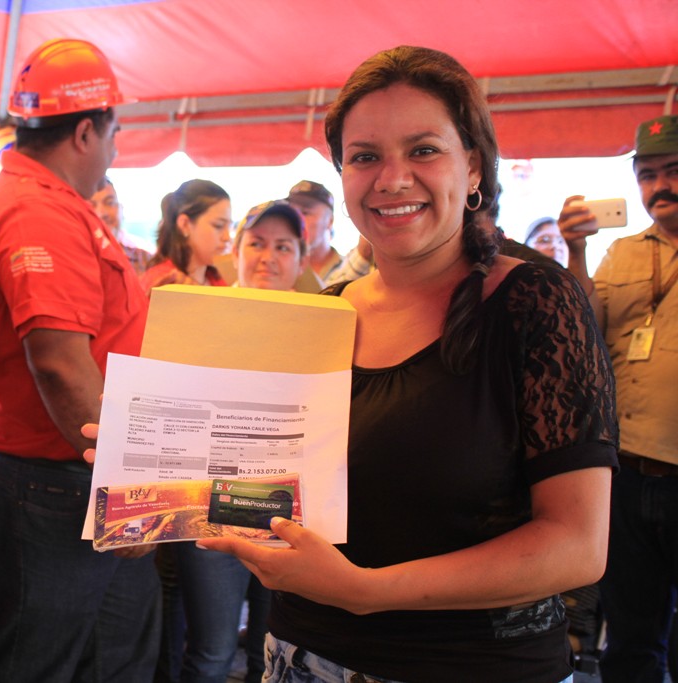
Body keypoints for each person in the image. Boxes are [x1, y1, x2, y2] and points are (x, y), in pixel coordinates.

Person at [199, 45, 617, 683]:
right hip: (300, 658)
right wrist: (155, 475)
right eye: (365, 156)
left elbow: (577, 546)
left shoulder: (534, 300)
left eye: (423, 149)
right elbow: (269, 494)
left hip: (472, 668)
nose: (392, 178)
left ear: (472, 165)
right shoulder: (325, 312)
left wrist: (366, 589)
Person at [0, 38, 160, 682]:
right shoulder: (40, 211)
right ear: (83, 132)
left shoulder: (49, 203)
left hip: (64, 477)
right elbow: (60, 364)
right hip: (55, 481)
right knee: (33, 665)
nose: (115, 151)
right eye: (114, 133)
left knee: (108, 657)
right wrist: (131, 492)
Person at [558, 114, 678, 683]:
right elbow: (582, 326)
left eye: (673, 171)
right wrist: (577, 251)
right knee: (630, 638)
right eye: (648, 174)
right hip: (624, 473)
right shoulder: (623, 253)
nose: (660, 187)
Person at [171, 199, 308, 683]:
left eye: (283, 246)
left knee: (272, 653)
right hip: (212, 508)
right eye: (256, 243)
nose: (268, 256)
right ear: (236, 250)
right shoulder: (199, 315)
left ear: (301, 259)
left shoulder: (321, 326)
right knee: (210, 651)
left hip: (289, 514)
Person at [141, 179, 232, 292]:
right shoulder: (163, 282)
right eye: (218, 226)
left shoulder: (215, 279)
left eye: (229, 226)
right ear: (185, 224)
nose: (227, 237)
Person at [286, 180, 372, 287]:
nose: (296, 220)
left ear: (330, 221)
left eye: (305, 212)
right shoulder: (283, 269)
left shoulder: (361, 267)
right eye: (292, 213)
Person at [91, 175, 152, 275]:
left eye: (110, 203)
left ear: (121, 209)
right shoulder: (77, 259)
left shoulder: (145, 259)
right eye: (91, 205)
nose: (102, 213)